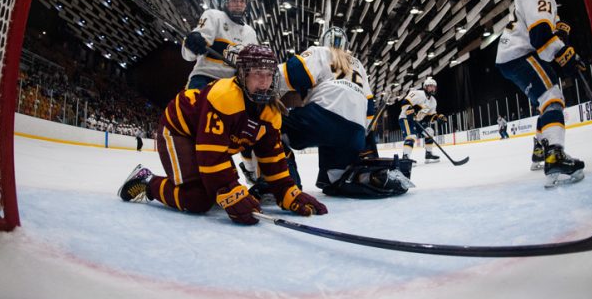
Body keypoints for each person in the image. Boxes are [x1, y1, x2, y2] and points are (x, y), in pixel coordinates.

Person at [117, 45, 327, 224]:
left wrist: (288, 192)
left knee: (212, 191)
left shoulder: (271, 112)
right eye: (257, 74)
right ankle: (148, 182)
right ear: (243, 75)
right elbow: (211, 157)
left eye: (269, 75)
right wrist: (228, 190)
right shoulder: (224, 97)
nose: (264, 83)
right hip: (179, 132)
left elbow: (272, 158)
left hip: (209, 143)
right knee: (197, 200)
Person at [278, 27, 412, 198]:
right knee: (336, 181)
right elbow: (369, 108)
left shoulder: (320, 51)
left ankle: (282, 182)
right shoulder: (358, 64)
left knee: (269, 125)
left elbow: (291, 73)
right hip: (354, 134)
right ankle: (367, 176)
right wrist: (362, 140)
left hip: (321, 121)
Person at [495, 0, 586, 188]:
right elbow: (540, 37)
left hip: (511, 56)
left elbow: (542, 34)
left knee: (545, 102)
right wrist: (564, 53)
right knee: (553, 97)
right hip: (520, 54)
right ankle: (555, 154)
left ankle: (540, 148)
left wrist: (559, 37)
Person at [181, 0, 259, 90]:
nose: (238, 4)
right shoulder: (214, 16)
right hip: (205, 77)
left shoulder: (250, 33)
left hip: (232, 84)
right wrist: (191, 45)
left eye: (242, 1)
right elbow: (189, 56)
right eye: (234, 0)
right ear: (226, 2)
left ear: (246, 5)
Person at [398, 77, 447, 163]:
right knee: (411, 136)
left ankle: (428, 154)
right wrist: (409, 110)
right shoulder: (418, 94)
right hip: (406, 118)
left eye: (434, 87)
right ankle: (405, 157)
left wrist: (438, 118)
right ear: (425, 87)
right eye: (430, 86)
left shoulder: (433, 101)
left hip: (417, 121)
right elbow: (405, 102)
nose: (432, 88)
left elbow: (431, 116)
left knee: (430, 131)